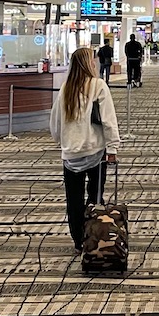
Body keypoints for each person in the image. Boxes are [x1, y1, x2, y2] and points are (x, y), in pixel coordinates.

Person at [48, 47, 120, 253]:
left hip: (71, 153)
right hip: (95, 151)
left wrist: (63, 141)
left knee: (74, 199)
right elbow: (108, 119)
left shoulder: (66, 89)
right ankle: (94, 236)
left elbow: (55, 123)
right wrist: (113, 147)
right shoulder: (98, 86)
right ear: (89, 63)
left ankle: (79, 239)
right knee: (95, 198)